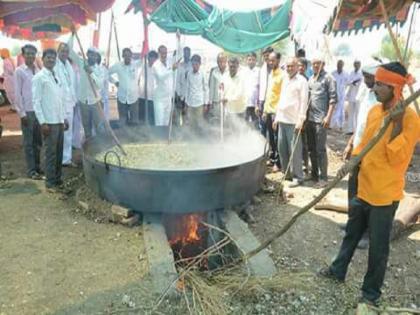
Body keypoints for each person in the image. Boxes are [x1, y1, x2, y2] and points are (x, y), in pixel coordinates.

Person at [319, 62, 420, 306]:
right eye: (375, 83)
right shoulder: (376, 111)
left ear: (395, 88)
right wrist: (352, 163)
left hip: (384, 195)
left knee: (378, 247)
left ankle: (371, 293)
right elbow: (366, 144)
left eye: (380, 85)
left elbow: (397, 158)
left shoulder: (410, 118)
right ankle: (337, 270)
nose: (374, 88)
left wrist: (396, 124)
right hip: (362, 185)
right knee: (351, 234)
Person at [32, 49, 69, 192]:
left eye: (53, 58)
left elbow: (60, 99)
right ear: (43, 59)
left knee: (59, 152)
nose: (51, 60)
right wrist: (42, 122)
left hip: (59, 121)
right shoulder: (39, 77)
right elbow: (36, 101)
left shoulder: (56, 76)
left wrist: (64, 117)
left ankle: (57, 179)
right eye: (48, 57)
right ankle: (50, 182)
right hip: (49, 122)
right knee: (50, 153)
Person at [273, 57, 309, 187]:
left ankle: (298, 177)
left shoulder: (302, 81)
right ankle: (286, 174)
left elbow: (304, 102)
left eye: (291, 66)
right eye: (287, 66)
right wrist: (277, 117)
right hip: (282, 120)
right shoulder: (285, 79)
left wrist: (301, 120)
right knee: (282, 149)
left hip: (294, 121)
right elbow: (281, 99)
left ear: (297, 66)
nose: (289, 68)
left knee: (294, 150)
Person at [306, 55, 337, 188]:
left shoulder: (329, 78)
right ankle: (314, 175)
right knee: (311, 149)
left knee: (320, 150)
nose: (315, 66)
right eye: (313, 64)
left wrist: (328, 117)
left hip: (321, 120)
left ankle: (323, 178)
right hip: (310, 120)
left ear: (323, 64)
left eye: (318, 64)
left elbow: (333, 99)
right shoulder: (311, 79)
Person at [14, 44, 42, 179]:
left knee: (38, 141)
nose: (31, 56)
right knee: (29, 143)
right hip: (28, 112)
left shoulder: (38, 70)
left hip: (39, 112)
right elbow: (17, 94)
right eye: (28, 53)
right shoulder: (19, 71)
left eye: (33, 53)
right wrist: (22, 113)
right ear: (23, 55)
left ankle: (37, 167)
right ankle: (31, 170)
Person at [68, 36, 104, 139]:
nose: (92, 56)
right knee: (86, 127)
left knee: (99, 128)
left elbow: (99, 85)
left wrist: (91, 73)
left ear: (97, 57)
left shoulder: (100, 69)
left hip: (96, 101)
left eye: (95, 55)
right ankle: (89, 148)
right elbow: (69, 50)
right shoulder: (81, 62)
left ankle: (100, 148)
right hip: (83, 101)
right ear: (87, 54)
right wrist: (72, 35)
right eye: (90, 54)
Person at [54, 43, 77, 167]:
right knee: (59, 133)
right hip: (60, 104)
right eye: (62, 51)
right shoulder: (55, 66)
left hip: (70, 103)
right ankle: (59, 159)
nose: (64, 53)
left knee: (68, 133)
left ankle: (66, 159)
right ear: (58, 52)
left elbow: (71, 85)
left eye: (66, 51)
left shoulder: (68, 65)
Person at [109, 48, 142, 126]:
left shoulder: (136, 64)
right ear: (123, 56)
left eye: (129, 55)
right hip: (122, 98)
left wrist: (145, 45)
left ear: (131, 56)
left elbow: (143, 58)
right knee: (122, 122)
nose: (127, 57)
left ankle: (134, 136)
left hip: (133, 98)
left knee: (134, 122)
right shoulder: (118, 65)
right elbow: (107, 73)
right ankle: (124, 136)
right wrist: (115, 82)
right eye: (125, 55)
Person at [263, 51, 283, 172]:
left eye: (273, 60)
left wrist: (278, 115)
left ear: (278, 61)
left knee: (277, 138)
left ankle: (279, 163)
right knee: (271, 138)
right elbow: (269, 93)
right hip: (269, 111)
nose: (270, 62)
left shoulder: (282, 75)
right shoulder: (271, 74)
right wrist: (265, 110)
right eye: (269, 60)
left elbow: (282, 96)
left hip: (277, 112)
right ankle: (273, 159)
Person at [152, 45, 178, 126]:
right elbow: (161, 77)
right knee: (159, 122)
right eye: (162, 53)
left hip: (168, 98)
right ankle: (159, 138)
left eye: (165, 53)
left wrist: (178, 37)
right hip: (159, 99)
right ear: (158, 53)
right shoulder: (155, 65)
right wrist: (172, 70)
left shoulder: (169, 62)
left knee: (166, 122)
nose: (164, 55)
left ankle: (164, 138)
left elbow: (178, 54)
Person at [184, 54, 208, 134]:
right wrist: (186, 103)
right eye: (193, 64)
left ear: (200, 64)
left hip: (199, 103)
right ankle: (192, 139)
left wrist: (206, 104)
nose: (195, 66)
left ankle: (199, 139)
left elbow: (206, 89)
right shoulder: (189, 74)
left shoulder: (203, 74)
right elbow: (187, 89)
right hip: (190, 103)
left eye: (197, 64)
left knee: (199, 123)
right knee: (191, 123)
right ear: (191, 64)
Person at [222, 57, 247, 125]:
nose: (232, 69)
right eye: (231, 66)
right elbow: (221, 90)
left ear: (238, 66)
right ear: (228, 65)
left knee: (239, 133)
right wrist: (221, 94)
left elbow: (239, 94)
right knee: (230, 132)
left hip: (239, 110)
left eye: (234, 67)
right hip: (229, 110)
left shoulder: (242, 77)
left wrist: (227, 99)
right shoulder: (225, 76)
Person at [297, 57, 310, 175]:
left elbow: (307, 102)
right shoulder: (294, 79)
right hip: (293, 117)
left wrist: (304, 119)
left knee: (304, 144)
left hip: (303, 117)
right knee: (295, 142)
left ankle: (305, 166)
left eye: (302, 66)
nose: (300, 68)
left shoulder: (307, 81)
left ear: (305, 68)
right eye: (298, 65)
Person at [257, 46, 274, 134]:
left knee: (273, 129)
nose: (266, 58)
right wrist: (258, 104)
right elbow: (258, 87)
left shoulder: (278, 69)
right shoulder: (261, 70)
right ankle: (262, 146)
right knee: (263, 127)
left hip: (273, 103)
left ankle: (273, 147)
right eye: (265, 56)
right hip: (262, 102)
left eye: (268, 55)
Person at [138, 50, 158, 125]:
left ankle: (151, 133)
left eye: (154, 59)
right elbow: (137, 79)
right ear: (148, 58)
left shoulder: (157, 69)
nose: (152, 60)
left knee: (152, 118)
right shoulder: (142, 67)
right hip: (142, 97)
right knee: (142, 117)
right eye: (151, 58)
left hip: (153, 98)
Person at [208, 52, 228, 125]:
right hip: (216, 101)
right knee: (216, 121)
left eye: (223, 61)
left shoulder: (229, 71)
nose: (221, 63)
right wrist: (210, 101)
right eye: (219, 61)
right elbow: (211, 87)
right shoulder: (214, 71)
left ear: (226, 61)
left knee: (226, 122)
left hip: (226, 102)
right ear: (217, 62)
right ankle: (216, 136)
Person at [174, 46, 192, 126]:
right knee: (178, 115)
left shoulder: (193, 66)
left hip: (189, 95)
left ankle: (186, 133)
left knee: (187, 117)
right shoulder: (180, 66)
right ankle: (178, 132)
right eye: (185, 53)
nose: (186, 55)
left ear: (190, 54)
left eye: (188, 53)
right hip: (180, 95)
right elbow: (177, 81)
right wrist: (177, 93)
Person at [345, 60, 363, 134]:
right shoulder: (351, 72)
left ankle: (356, 131)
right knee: (351, 113)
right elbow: (348, 82)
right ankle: (350, 130)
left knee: (357, 114)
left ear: (360, 65)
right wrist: (353, 82)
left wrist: (355, 82)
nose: (356, 65)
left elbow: (362, 83)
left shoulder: (361, 73)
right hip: (351, 95)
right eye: (355, 64)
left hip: (358, 96)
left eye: (358, 64)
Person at [331, 60, 348, 130]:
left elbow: (348, 83)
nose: (339, 66)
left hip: (342, 95)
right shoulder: (333, 73)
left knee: (341, 110)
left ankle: (340, 125)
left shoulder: (345, 74)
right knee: (333, 109)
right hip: (334, 93)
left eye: (341, 65)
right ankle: (331, 125)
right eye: (338, 64)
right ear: (336, 65)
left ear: (343, 65)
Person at [244, 52, 260, 127]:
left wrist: (258, 104)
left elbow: (260, 87)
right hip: (245, 104)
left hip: (255, 105)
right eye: (249, 59)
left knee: (256, 126)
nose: (251, 61)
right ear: (246, 61)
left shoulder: (259, 71)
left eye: (253, 60)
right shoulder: (243, 72)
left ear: (256, 60)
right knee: (244, 125)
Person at [97, 53, 110, 121]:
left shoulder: (104, 70)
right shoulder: (91, 70)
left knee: (104, 119)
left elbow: (102, 84)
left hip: (103, 99)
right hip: (96, 100)